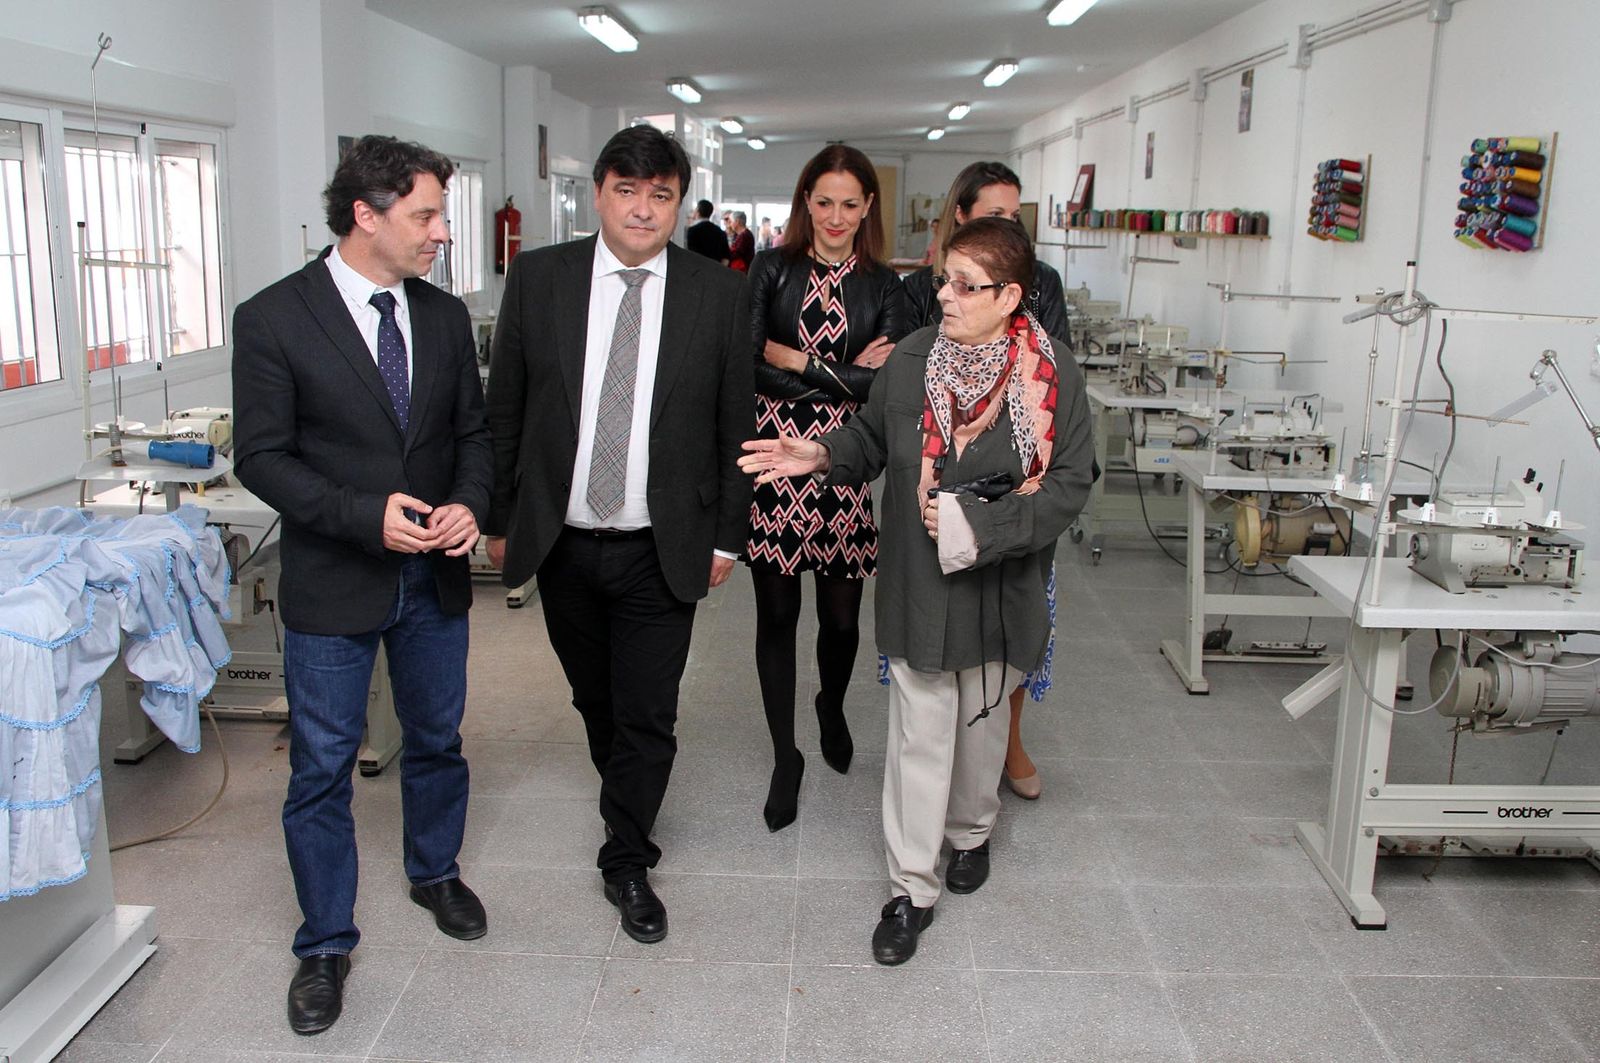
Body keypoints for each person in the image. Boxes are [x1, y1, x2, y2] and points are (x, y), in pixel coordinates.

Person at [740, 218, 1093, 965]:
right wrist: (822, 451)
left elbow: (1069, 484)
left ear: (1012, 296)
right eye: (944, 280)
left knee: (980, 730)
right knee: (918, 734)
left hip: (1002, 585)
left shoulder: (1054, 373)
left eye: (968, 286)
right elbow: (872, 439)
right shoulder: (912, 358)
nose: (947, 296)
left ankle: (971, 833)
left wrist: (988, 523)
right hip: (919, 580)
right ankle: (910, 886)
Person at [232, 135, 493, 1036]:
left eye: (440, 215)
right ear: (366, 216)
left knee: (436, 738)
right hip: (335, 578)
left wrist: (468, 502)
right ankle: (324, 941)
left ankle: (435, 871)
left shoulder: (446, 316)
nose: (441, 233)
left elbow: (475, 435)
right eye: (425, 215)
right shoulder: (273, 318)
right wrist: (358, 513)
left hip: (433, 577)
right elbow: (261, 457)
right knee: (322, 766)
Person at [483, 125, 754, 946]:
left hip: (660, 541)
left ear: (678, 202)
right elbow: (507, 410)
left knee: (647, 712)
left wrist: (727, 537)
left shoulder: (719, 292)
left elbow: (734, 421)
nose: (643, 208)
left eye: (661, 194)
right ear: (599, 193)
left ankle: (627, 855)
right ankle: (625, 789)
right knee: (593, 696)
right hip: (562, 539)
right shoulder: (539, 279)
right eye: (628, 190)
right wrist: (498, 518)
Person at [744, 144, 910, 831]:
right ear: (804, 201)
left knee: (842, 619)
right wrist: (842, 371)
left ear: (868, 206)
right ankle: (786, 754)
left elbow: (889, 387)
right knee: (777, 617)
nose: (836, 217)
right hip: (774, 461)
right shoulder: (769, 270)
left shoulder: (888, 288)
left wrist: (798, 359)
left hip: (842, 465)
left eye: (850, 203)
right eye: (823, 202)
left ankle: (830, 705)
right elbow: (750, 368)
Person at [903, 160, 1074, 800]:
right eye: (992, 213)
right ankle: (945, 756)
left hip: (1016, 476)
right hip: (942, 473)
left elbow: (1050, 369)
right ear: (961, 215)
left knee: (1014, 623)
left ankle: (1004, 743)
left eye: (1014, 212)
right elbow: (906, 372)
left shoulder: (1041, 282)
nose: (1008, 223)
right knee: (936, 631)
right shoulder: (931, 286)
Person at [686, 198, 730, 264]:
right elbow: (726, 257)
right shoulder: (720, 232)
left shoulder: (692, 231)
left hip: (698, 269)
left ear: (697, 211)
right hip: (715, 269)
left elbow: (691, 253)